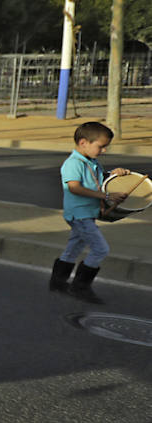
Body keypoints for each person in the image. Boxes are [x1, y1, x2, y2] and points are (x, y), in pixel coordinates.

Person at [50, 120, 130, 303]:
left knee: (74, 247)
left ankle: (57, 283)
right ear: (84, 143)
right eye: (101, 147)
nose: (104, 151)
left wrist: (113, 175)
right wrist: (106, 196)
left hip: (87, 213)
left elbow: (99, 180)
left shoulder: (92, 162)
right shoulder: (73, 163)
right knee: (101, 249)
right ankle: (80, 287)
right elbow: (75, 188)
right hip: (79, 214)